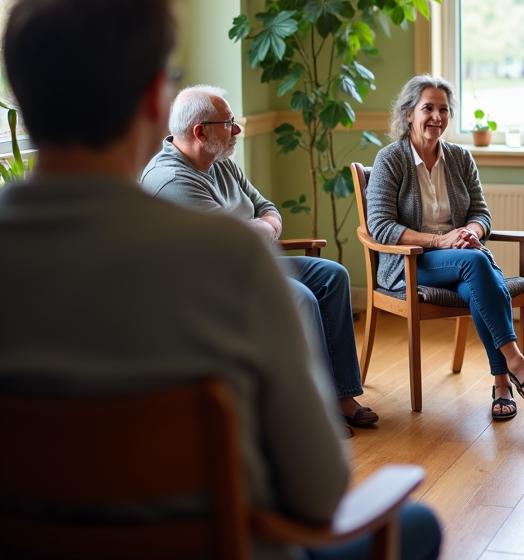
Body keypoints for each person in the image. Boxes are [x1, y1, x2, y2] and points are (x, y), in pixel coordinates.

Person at [0, 0, 440, 560]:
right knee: (417, 526)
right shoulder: (226, 259)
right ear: (158, 100)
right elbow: (319, 491)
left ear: (22, 97)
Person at [140, 86, 377, 431]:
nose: (237, 130)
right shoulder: (172, 180)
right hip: (210, 283)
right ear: (200, 132)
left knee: (333, 276)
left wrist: (259, 229)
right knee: (301, 298)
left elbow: (268, 210)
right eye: (229, 123)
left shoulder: (221, 163)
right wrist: (259, 230)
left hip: (250, 264)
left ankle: (340, 395)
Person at [365, 74, 524, 420]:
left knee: (474, 280)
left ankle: (502, 385)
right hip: (411, 262)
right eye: (428, 108)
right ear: (409, 113)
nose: (436, 117)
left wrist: (470, 230)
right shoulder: (390, 160)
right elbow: (380, 227)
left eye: (443, 109)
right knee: (476, 264)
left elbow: (481, 212)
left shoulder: (459, 158)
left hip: (459, 259)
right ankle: (514, 366)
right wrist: (441, 240)